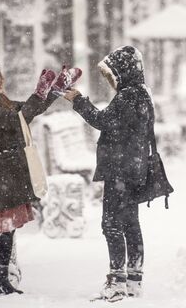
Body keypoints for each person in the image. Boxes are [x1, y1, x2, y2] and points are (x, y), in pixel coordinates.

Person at [0, 62, 81, 298]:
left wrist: (52, 91)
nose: (2, 79)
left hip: (9, 173)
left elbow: (29, 111)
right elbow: (20, 118)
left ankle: (2, 279)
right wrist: (40, 91)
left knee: (8, 229)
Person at [64, 46, 154, 302]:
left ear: (123, 70)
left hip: (120, 170)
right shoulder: (142, 94)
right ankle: (134, 279)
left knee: (112, 223)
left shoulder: (127, 96)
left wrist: (78, 100)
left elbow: (102, 121)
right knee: (130, 223)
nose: (112, 79)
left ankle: (117, 282)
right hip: (134, 167)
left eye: (113, 73)